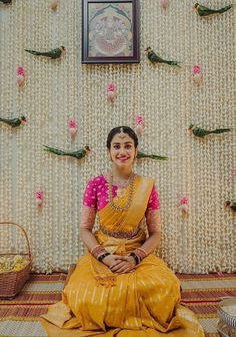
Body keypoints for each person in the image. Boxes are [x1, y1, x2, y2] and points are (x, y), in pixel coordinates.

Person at [41, 126, 205, 337]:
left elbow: (156, 233)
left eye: (128, 146)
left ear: (136, 150)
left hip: (137, 253)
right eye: (116, 146)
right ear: (109, 151)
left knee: (166, 288)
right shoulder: (96, 184)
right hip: (102, 253)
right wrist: (105, 257)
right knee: (82, 294)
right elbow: (84, 228)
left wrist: (135, 258)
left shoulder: (147, 186)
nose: (122, 151)